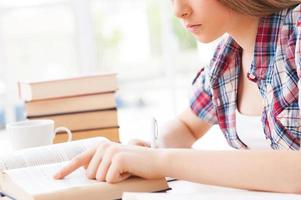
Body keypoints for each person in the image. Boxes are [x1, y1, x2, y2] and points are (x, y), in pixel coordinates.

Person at [54, 0, 301, 193]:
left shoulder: (297, 31)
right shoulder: (226, 60)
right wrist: (151, 148)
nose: (178, 10)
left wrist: (160, 161)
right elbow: (187, 126)